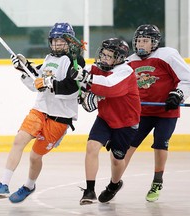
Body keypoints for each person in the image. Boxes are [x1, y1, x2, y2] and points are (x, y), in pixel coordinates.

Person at [0, 22, 85, 203]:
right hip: (40, 110)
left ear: (70, 42)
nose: (57, 44)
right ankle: (3, 184)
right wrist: (24, 68)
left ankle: (29, 186)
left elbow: (74, 90)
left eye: (61, 40)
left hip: (59, 118)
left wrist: (51, 83)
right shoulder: (49, 58)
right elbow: (36, 84)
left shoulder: (76, 61)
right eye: (55, 40)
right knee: (19, 140)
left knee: (35, 156)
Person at [125, 24, 190, 202]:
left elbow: (187, 80)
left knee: (160, 145)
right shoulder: (130, 61)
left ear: (154, 42)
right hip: (142, 112)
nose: (141, 44)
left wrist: (177, 94)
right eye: (139, 40)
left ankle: (157, 181)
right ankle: (114, 181)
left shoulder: (167, 55)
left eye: (146, 41)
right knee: (126, 145)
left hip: (166, 111)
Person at [71, 38, 141, 204]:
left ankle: (114, 185)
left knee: (117, 160)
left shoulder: (126, 71)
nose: (104, 58)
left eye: (110, 55)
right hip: (105, 119)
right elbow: (78, 78)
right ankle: (89, 191)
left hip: (126, 123)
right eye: (103, 54)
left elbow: (109, 87)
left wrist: (87, 80)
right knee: (91, 147)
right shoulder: (95, 68)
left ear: (119, 58)